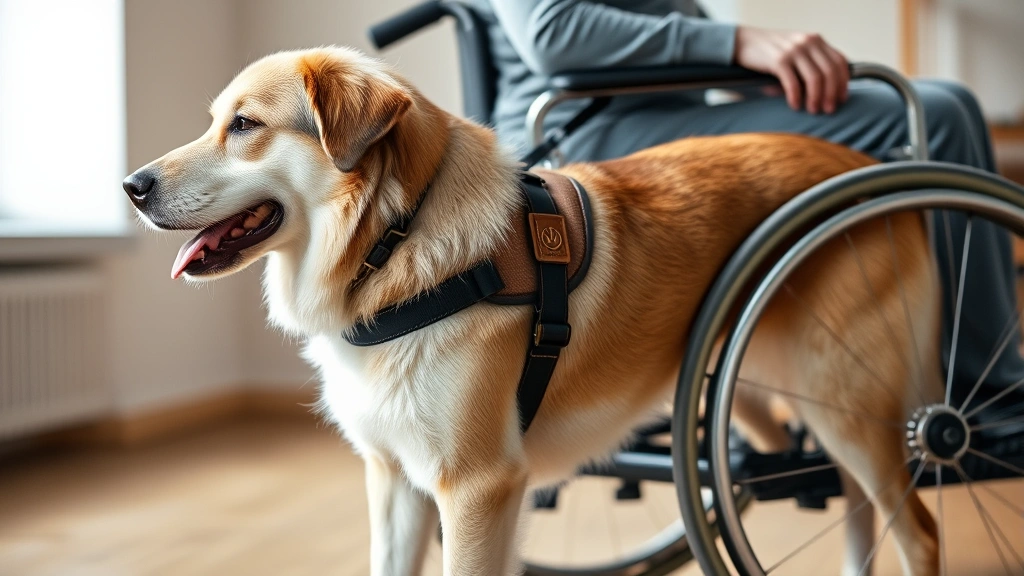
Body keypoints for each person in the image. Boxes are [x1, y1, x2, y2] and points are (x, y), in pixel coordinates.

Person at [469, 0, 1024, 422]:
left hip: (651, 111)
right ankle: (987, 393)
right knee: (935, 115)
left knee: (942, 103)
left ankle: (959, 374)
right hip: (585, 137)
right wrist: (737, 44)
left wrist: (751, 67)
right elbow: (549, 30)